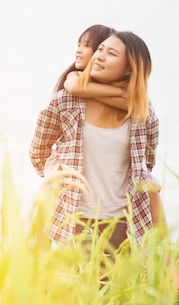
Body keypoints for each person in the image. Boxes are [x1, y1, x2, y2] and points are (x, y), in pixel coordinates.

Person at [29, 30, 163, 251]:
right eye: (100, 49)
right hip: (72, 215)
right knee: (71, 283)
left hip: (120, 221)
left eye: (111, 53)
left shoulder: (143, 115)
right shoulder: (66, 100)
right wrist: (57, 175)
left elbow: (145, 164)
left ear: (129, 68)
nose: (100, 56)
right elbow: (39, 149)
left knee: (112, 285)